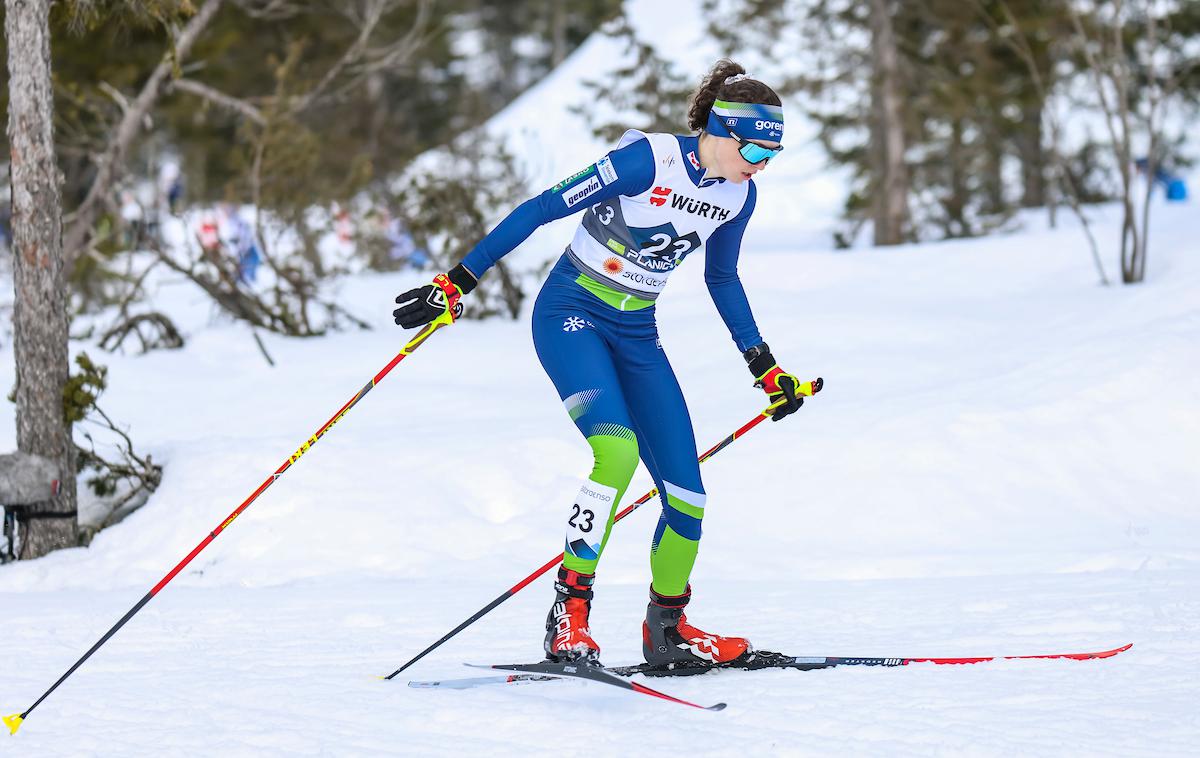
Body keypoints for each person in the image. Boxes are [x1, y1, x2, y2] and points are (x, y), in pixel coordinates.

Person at [393, 60, 819, 668]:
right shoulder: (649, 161)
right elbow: (543, 207)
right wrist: (459, 281)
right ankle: (570, 615)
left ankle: (667, 631)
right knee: (615, 451)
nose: (762, 161)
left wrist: (765, 367)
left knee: (687, 495)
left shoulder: (739, 195)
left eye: (772, 151)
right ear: (722, 130)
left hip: (637, 329)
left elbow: (721, 278)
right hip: (572, 314)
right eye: (754, 145)